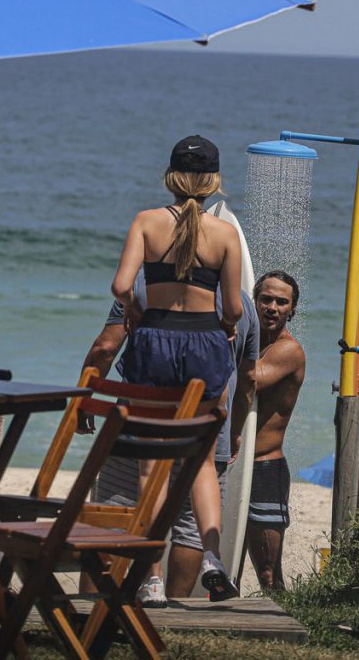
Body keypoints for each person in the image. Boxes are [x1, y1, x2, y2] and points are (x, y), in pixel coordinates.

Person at [109, 135, 244, 600]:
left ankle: (151, 579)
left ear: (170, 178)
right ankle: (212, 558)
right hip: (204, 343)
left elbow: (122, 285)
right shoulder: (225, 235)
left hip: (153, 343)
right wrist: (223, 325)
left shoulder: (146, 222)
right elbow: (233, 309)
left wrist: (134, 311)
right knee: (202, 460)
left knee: (153, 468)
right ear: (213, 182)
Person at [82, 268, 257, 605]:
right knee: (191, 530)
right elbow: (247, 380)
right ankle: (175, 614)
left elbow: (105, 348)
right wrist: (235, 433)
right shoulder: (244, 305)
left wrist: (84, 399)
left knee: (110, 521)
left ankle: (92, 607)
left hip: (144, 425)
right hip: (206, 428)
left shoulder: (142, 289)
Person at [245, 270, 305, 591]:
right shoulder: (253, 343)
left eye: (282, 302)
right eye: (265, 299)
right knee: (223, 559)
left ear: (292, 311)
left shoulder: (289, 351)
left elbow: (252, 379)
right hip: (233, 465)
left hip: (265, 469)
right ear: (254, 301)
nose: (272, 307)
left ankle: (281, 620)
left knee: (267, 573)